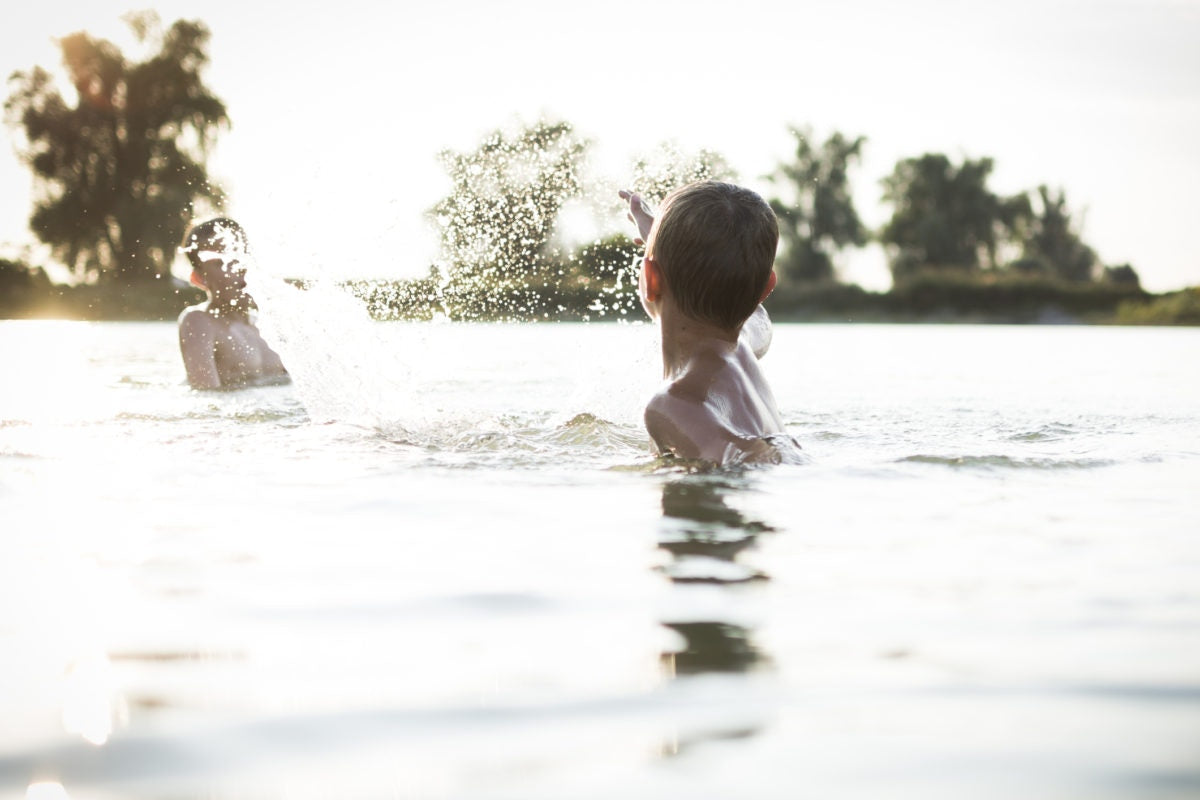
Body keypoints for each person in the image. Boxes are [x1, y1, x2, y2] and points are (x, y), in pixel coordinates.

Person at [619, 181, 800, 466]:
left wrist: (663, 250)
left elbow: (753, 460)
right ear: (766, 290)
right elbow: (758, 318)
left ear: (650, 279)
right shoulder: (742, 347)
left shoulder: (674, 404)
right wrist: (660, 240)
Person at [177, 217, 289, 390]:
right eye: (221, 262)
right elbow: (206, 398)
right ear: (199, 278)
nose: (239, 267)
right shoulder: (199, 322)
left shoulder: (272, 326)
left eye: (240, 255)